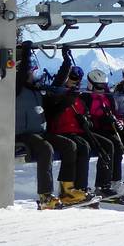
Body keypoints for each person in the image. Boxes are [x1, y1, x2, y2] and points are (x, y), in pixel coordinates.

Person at [15, 43, 85, 208]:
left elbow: (58, 84)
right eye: (32, 72)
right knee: (46, 148)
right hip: (22, 134)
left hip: (39, 132)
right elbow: (22, 73)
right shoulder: (16, 89)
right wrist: (26, 52)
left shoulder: (37, 90)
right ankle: (45, 195)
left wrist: (66, 62)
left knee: (69, 145)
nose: (34, 75)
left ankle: (67, 189)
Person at [43, 48, 113, 199]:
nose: (75, 81)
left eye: (78, 79)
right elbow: (53, 111)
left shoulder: (79, 96)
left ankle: (101, 185)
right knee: (81, 147)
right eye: (72, 78)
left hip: (78, 131)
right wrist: (67, 62)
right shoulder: (56, 92)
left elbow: (87, 116)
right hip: (62, 131)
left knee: (106, 145)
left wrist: (86, 120)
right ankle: (74, 188)